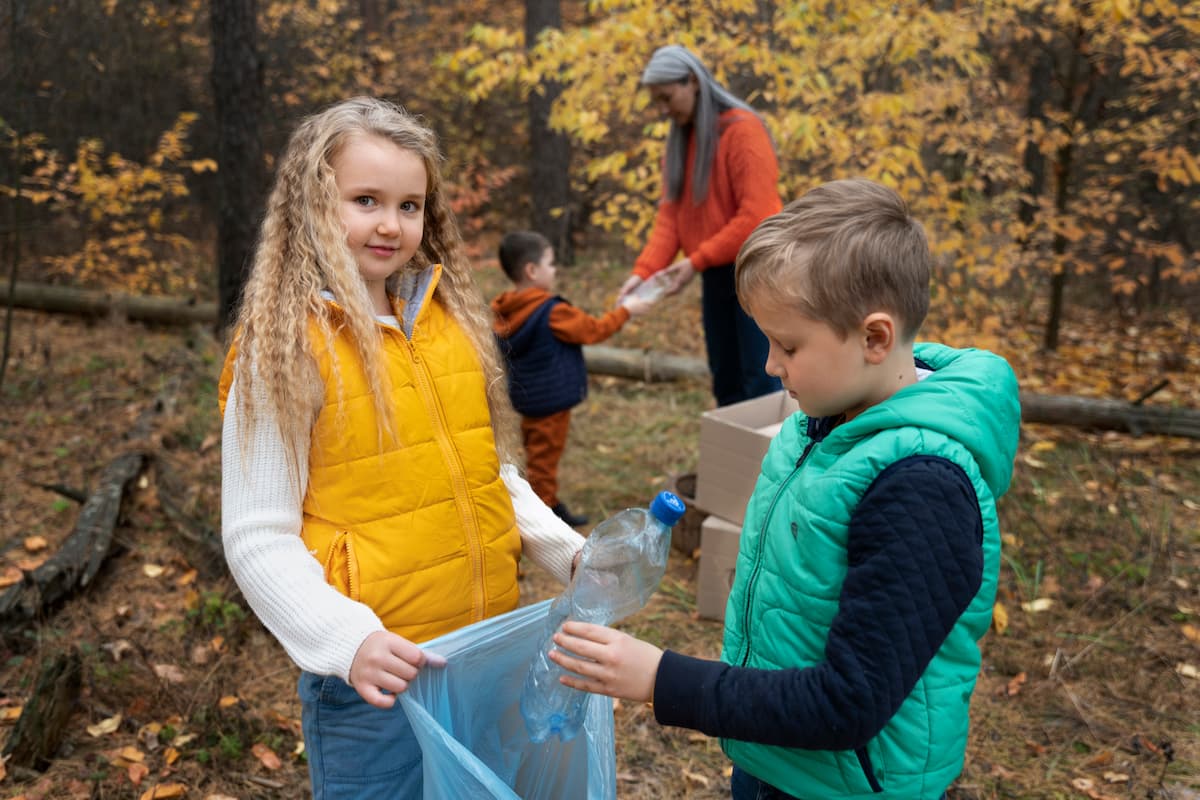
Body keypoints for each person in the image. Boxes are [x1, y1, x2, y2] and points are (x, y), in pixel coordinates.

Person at [550, 179, 1022, 799]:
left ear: (875, 338)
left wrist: (662, 678)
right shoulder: (826, 419)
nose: (771, 364)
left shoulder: (922, 489)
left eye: (788, 345)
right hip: (777, 752)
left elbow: (850, 701)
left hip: (847, 783)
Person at [217, 97, 586, 800]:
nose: (391, 224)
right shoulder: (285, 346)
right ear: (312, 205)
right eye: (365, 200)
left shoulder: (447, 321)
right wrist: (346, 639)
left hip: (482, 657)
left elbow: (485, 470)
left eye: (410, 205)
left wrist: (567, 551)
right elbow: (256, 534)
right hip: (378, 682)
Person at [616, 44, 783, 407]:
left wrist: (696, 260)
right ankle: (732, 459)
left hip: (757, 271)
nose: (663, 110)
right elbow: (671, 219)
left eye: (666, 97)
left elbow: (757, 218)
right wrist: (644, 273)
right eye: (656, 101)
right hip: (716, 274)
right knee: (725, 379)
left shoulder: (743, 131)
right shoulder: (683, 140)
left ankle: (770, 462)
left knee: (761, 380)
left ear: (692, 81)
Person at [491, 230, 653, 527]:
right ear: (532, 270)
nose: (555, 270)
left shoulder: (505, 311)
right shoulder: (552, 312)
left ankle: (546, 500)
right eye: (551, 263)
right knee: (545, 459)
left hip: (529, 399)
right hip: (551, 401)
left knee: (538, 452)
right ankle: (543, 514)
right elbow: (593, 329)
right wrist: (626, 311)